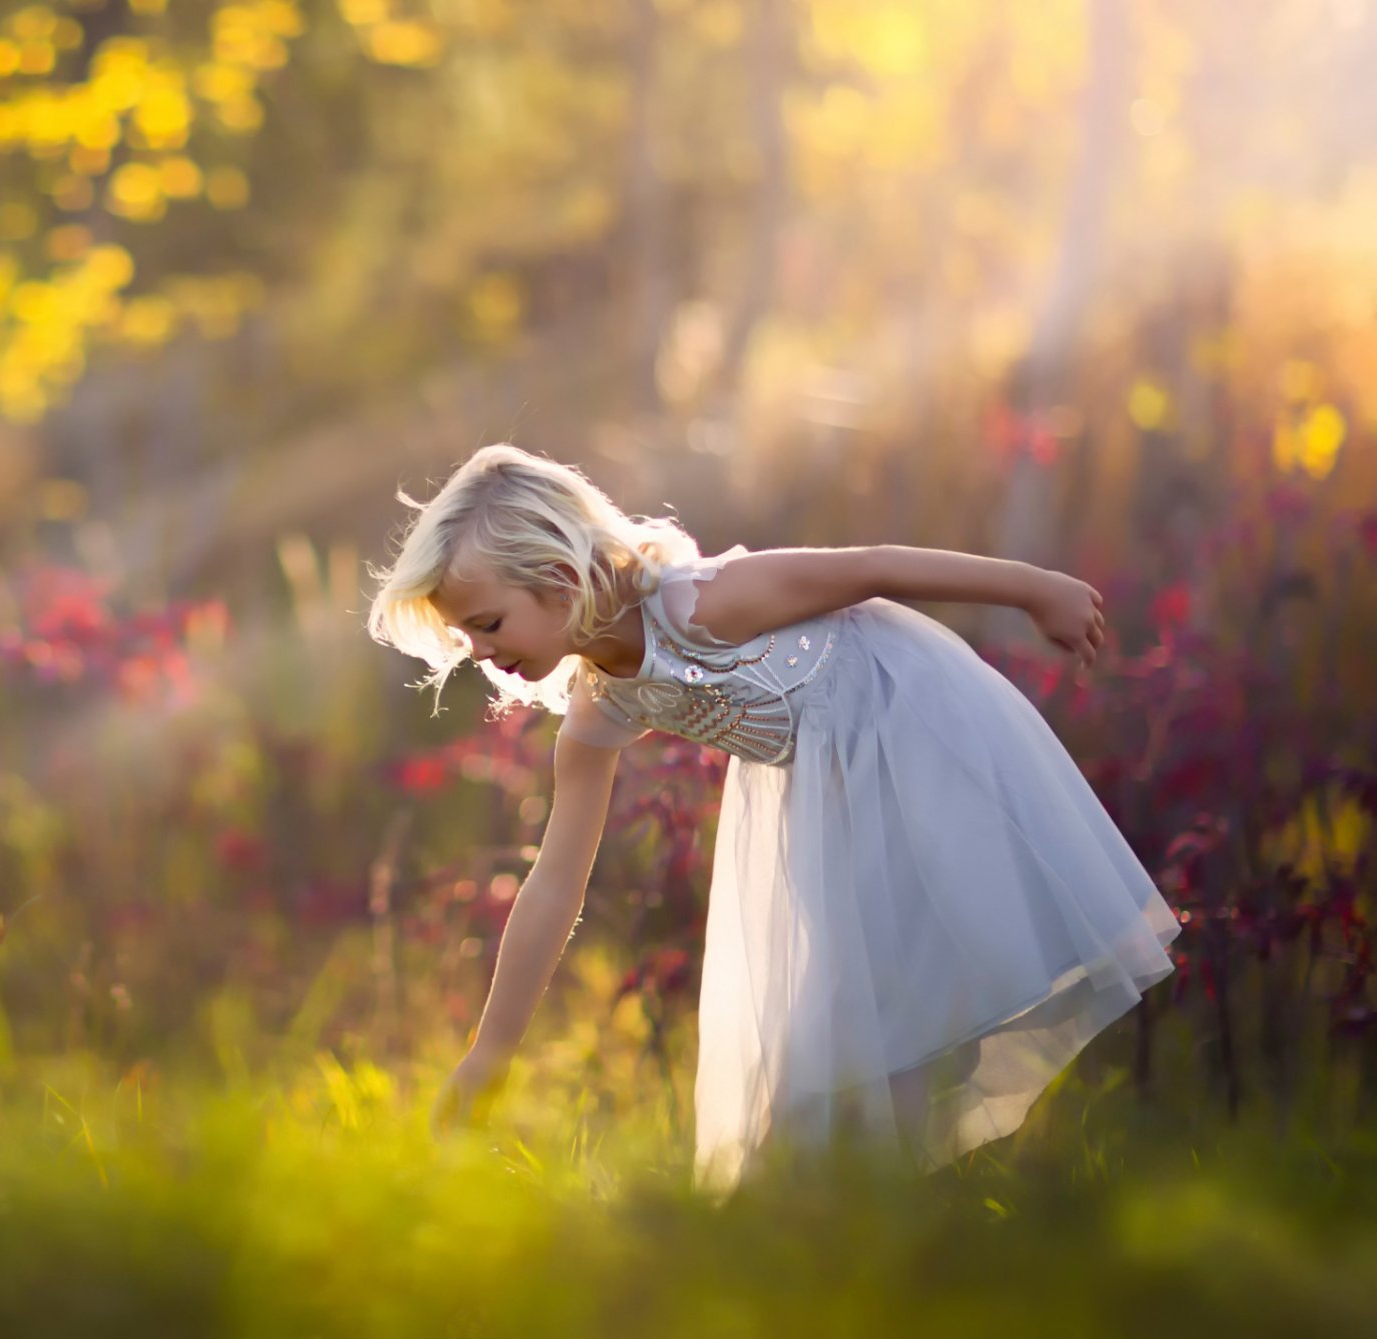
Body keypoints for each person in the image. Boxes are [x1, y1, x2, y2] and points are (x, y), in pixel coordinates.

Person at [364, 444, 1182, 1199]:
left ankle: (928, 1215)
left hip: (916, 731)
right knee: (836, 1044)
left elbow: (872, 567)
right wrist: (490, 1051)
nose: (476, 650)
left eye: (488, 623)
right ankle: (889, 1215)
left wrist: (1038, 587)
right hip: (823, 791)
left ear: (557, 576)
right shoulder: (597, 704)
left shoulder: (709, 602)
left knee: (895, 1010)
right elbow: (553, 884)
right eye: (463, 634)